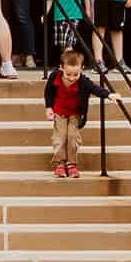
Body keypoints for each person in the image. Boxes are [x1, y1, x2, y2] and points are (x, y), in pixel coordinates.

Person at [42, 48, 114, 179]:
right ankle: (60, 163)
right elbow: (48, 93)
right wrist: (48, 108)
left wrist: (108, 95)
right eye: (68, 74)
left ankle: (71, 163)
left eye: (76, 75)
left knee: (73, 137)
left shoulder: (83, 81)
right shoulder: (54, 77)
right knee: (60, 137)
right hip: (60, 112)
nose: (72, 78)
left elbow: (95, 89)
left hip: (75, 113)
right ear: (61, 68)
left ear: (82, 69)